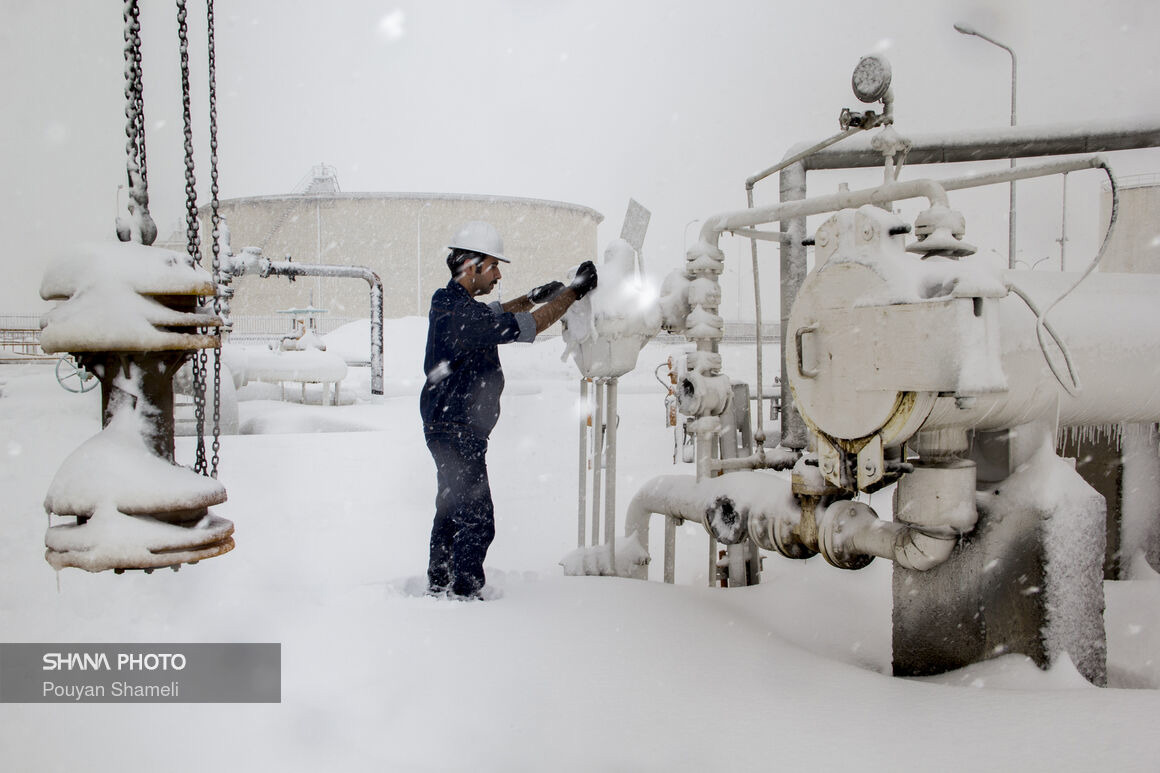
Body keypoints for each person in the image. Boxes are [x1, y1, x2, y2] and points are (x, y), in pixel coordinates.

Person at [421, 221, 597, 600]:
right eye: (493, 266)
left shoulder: (450, 303)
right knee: (477, 520)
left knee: (451, 510)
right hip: (458, 428)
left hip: (447, 425)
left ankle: (440, 584)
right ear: (472, 266)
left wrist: (532, 296)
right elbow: (529, 326)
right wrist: (574, 292)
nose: (498, 275)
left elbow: (495, 314)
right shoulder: (463, 316)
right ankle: (464, 594)